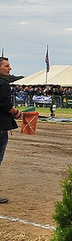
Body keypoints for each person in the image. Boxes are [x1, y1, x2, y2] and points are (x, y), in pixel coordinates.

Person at [0, 57, 21, 204]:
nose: (10, 68)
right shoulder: (3, 84)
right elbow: (6, 105)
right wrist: (16, 112)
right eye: (7, 66)